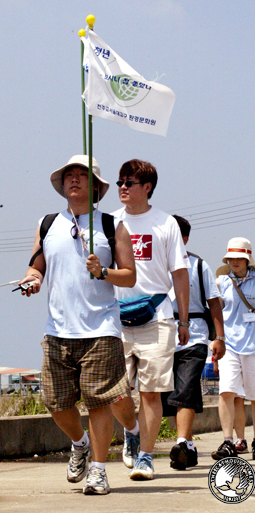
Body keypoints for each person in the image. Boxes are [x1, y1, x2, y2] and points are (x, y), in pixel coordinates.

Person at [19, 155, 137, 495]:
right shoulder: (47, 223)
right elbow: (35, 264)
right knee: (56, 403)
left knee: (99, 401)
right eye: (68, 175)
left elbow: (129, 276)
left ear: (95, 187)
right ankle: (80, 443)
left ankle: (99, 470)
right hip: (57, 329)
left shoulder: (112, 225)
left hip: (100, 327)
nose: (73, 180)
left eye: (81, 176)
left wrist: (103, 271)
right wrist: (32, 279)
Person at [112, 159, 190, 480]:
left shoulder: (165, 223)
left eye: (129, 183)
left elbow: (180, 274)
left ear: (147, 187)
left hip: (156, 316)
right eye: (120, 182)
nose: (122, 188)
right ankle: (131, 430)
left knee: (150, 392)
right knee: (112, 392)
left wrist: (183, 319)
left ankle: (145, 456)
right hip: (114, 319)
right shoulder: (108, 222)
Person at [162, 215, 225, 470]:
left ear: (184, 238)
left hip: (195, 336)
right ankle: (188, 446)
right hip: (161, 335)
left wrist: (219, 337)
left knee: (186, 389)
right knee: (168, 398)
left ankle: (180, 443)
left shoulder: (199, 266)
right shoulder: (154, 264)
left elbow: (214, 302)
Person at [211, 237, 255, 461]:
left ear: (248, 258)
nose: (235, 262)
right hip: (230, 345)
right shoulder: (221, 282)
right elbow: (217, 314)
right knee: (226, 391)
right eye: (231, 258)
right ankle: (228, 441)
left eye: (240, 258)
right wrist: (216, 340)